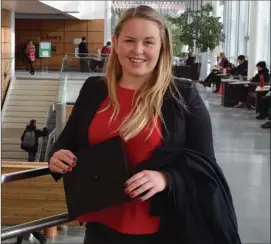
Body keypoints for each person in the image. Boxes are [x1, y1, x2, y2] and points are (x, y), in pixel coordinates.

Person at [48, 5, 241, 244]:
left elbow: (205, 169)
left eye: (148, 42)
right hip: (101, 227)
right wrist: (57, 156)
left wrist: (165, 178)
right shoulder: (94, 89)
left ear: (162, 48)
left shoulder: (182, 95)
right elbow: (67, 142)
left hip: (163, 230)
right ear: (116, 43)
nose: (137, 50)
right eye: (129, 40)